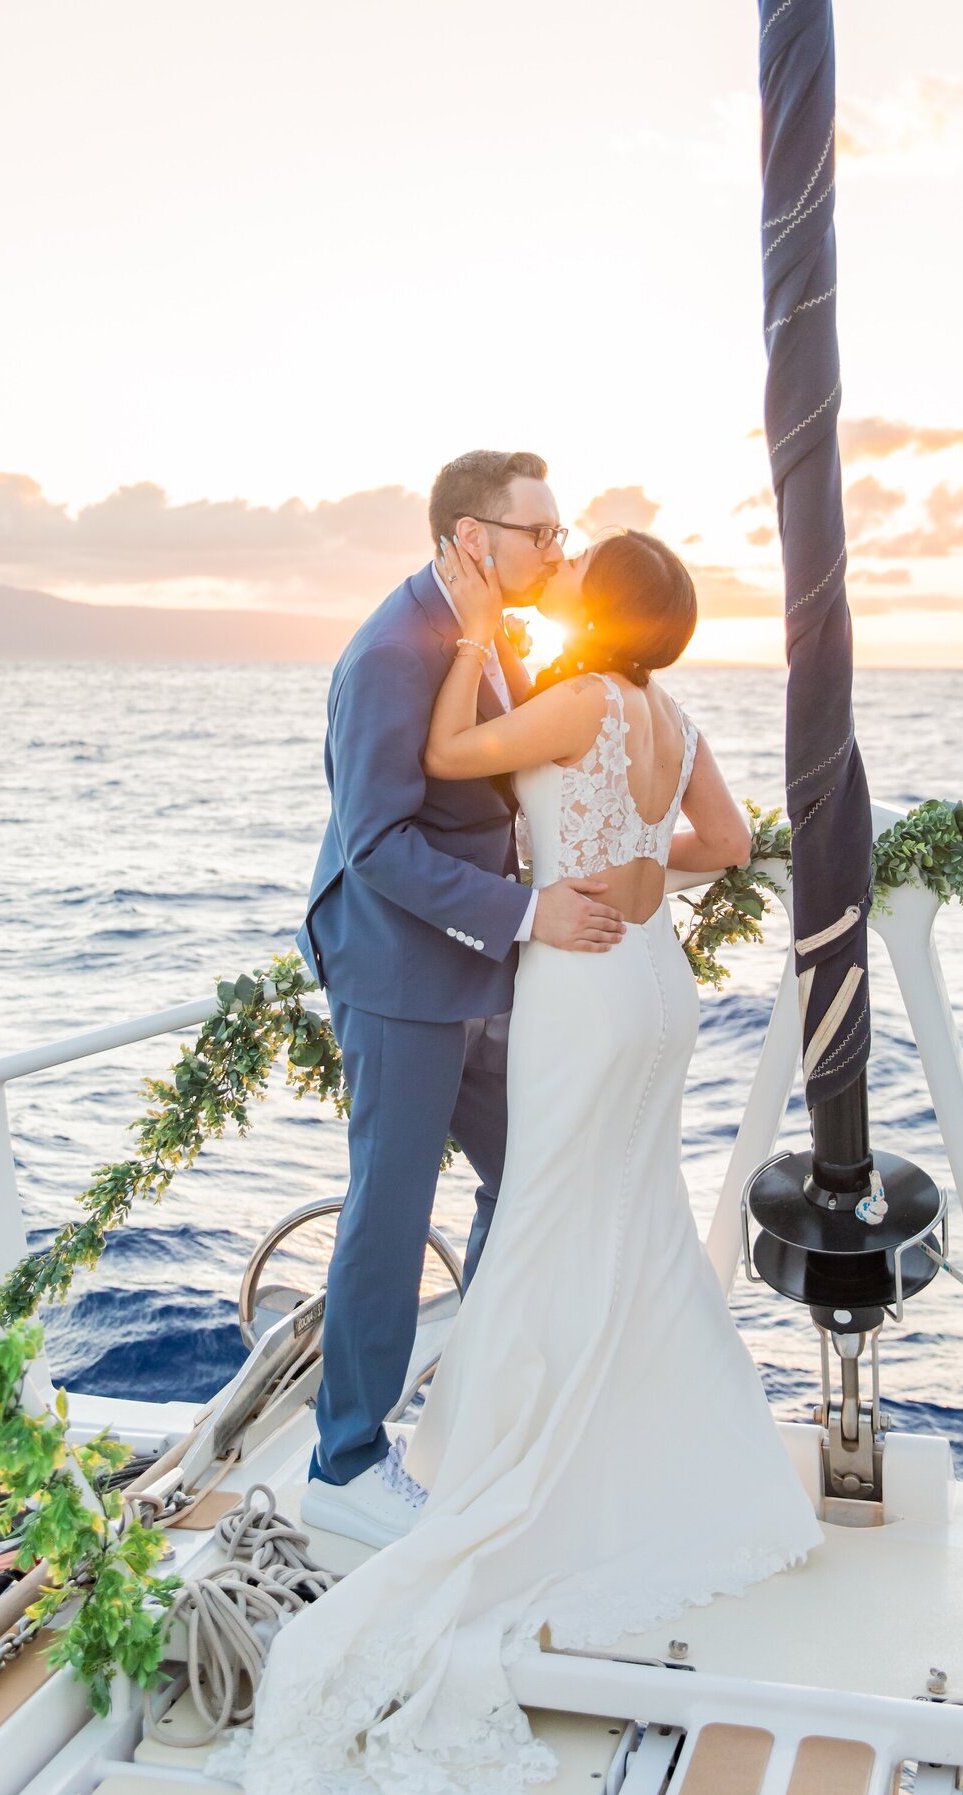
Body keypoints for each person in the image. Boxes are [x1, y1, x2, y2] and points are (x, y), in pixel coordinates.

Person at [235, 526, 824, 1795]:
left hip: (584, 985)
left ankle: (511, 1457)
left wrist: (464, 647)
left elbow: (447, 755)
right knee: (631, 1215)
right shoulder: (673, 721)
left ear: (599, 608)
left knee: (554, 1208)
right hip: (658, 987)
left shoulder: (577, 704)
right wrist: (638, 866)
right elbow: (726, 844)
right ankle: (650, 1450)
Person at [296, 450, 629, 1547]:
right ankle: (346, 1461)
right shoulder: (392, 654)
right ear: (473, 538)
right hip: (398, 972)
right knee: (390, 1215)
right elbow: (377, 844)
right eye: (543, 532)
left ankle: (472, 1396)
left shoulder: (482, 633)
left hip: (475, 969)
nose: (559, 549)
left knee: (528, 1174)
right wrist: (530, 913)